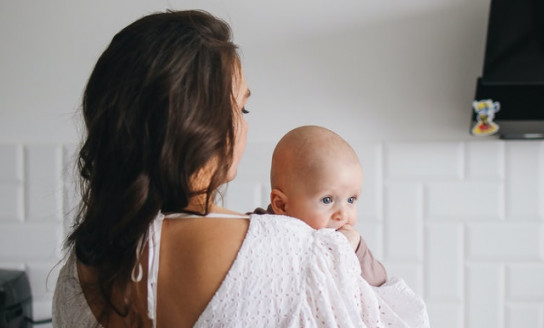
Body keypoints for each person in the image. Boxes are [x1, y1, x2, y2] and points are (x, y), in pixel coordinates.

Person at [52, 9, 430, 328]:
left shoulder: (79, 270)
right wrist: (353, 251)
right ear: (201, 124)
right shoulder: (294, 252)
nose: (244, 124)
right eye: (240, 108)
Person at [254, 125, 387, 286]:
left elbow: (379, 282)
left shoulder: (349, 242)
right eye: (327, 200)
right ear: (281, 205)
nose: (343, 214)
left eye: (351, 200)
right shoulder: (258, 231)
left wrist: (354, 249)